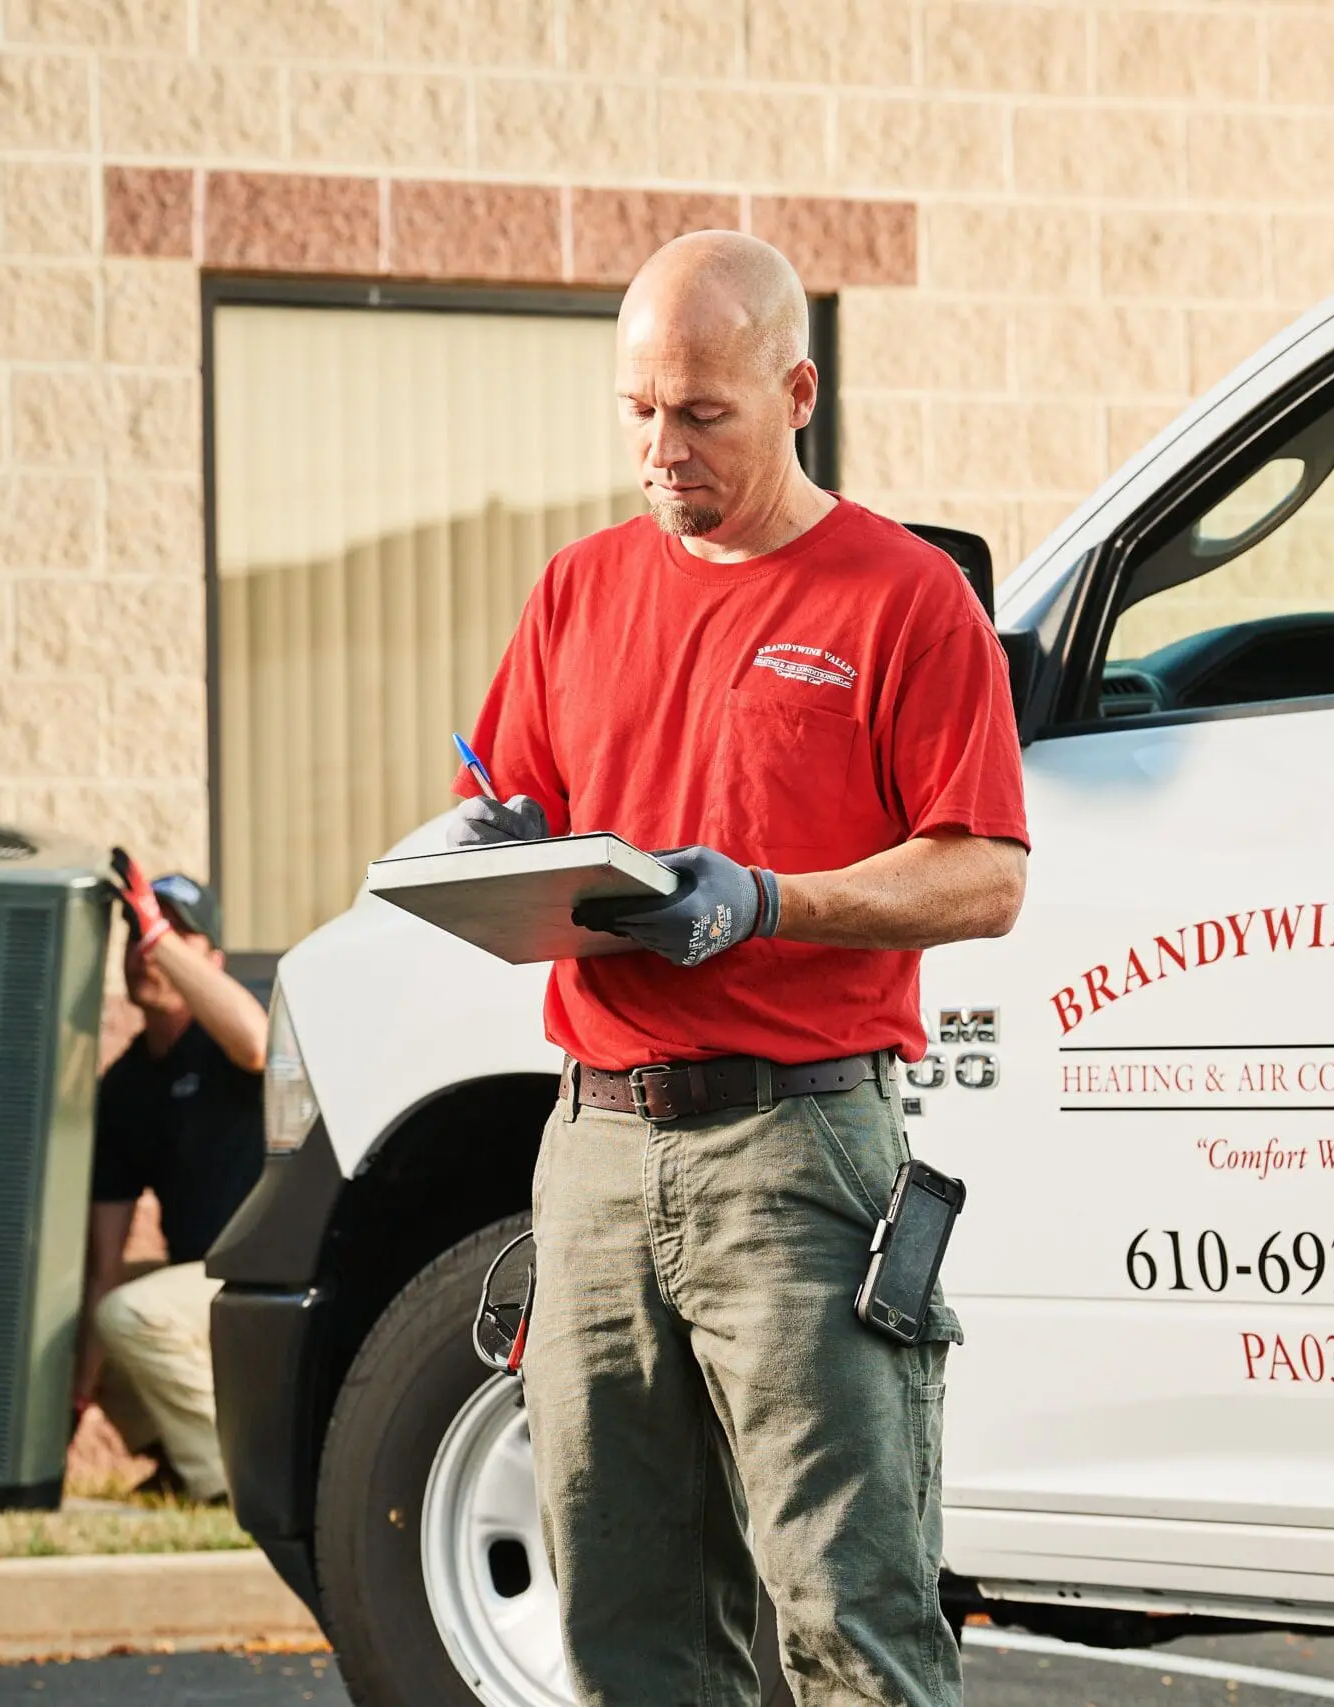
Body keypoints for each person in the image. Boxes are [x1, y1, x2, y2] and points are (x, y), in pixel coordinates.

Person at [447, 231, 1030, 1706]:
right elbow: (504, 799)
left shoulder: (900, 599)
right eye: (638, 410)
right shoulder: (578, 590)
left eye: (701, 413)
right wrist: (486, 843)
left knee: (852, 1622)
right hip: (592, 1144)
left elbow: (987, 872)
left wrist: (768, 900)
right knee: (626, 1629)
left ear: (795, 390)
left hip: (799, 1152)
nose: (662, 448)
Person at [74, 855, 267, 1504]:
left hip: (269, 1274)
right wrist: (75, 1398)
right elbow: (103, 1262)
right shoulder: (127, 1084)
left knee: (132, 1313)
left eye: (170, 936)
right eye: (137, 937)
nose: (145, 951)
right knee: (88, 1308)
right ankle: (173, 1462)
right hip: (199, 1282)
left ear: (210, 960)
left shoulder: (230, 1038)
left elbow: (256, 1043)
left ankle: (225, 1488)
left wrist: (155, 933)